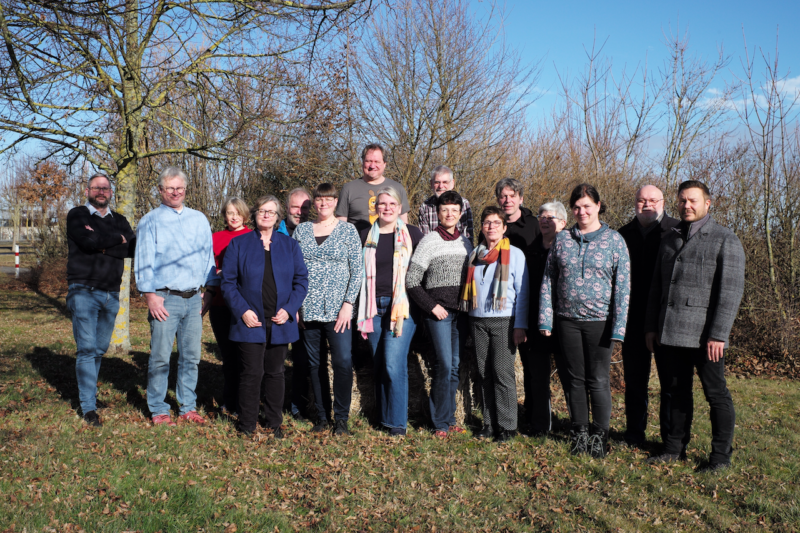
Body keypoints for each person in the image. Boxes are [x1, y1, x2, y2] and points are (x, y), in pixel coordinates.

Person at [645, 180, 745, 473]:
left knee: (716, 394)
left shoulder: (725, 239)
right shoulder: (670, 238)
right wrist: (651, 326)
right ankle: (673, 447)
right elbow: (656, 288)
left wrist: (719, 334)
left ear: (707, 203)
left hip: (705, 337)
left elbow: (730, 293)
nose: (686, 205)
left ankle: (720, 457)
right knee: (674, 392)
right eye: (681, 201)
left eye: (692, 200)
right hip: (668, 332)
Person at [539, 184, 631, 458]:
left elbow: (623, 287)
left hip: (600, 322)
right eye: (577, 207)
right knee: (574, 380)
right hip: (567, 321)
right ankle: (580, 432)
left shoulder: (614, 240)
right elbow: (548, 280)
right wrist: (546, 319)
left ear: (598, 206)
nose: (581, 212)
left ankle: (599, 436)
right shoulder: (563, 240)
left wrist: (619, 327)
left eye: (587, 206)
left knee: (598, 380)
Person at [135, 167, 218, 426]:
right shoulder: (150, 220)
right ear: (160, 190)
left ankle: (187, 407)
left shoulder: (199, 219)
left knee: (191, 356)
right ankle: (158, 408)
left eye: (179, 187)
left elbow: (208, 258)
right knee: (160, 356)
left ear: (185, 189)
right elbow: (144, 260)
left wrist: (210, 291)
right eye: (169, 188)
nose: (175, 192)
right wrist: (149, 294)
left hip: (194, 298)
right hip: (164, 298)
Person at [220, 196, 308, 437]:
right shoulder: (239, 244)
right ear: (255, 214)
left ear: (278, 216)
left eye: (271, 212)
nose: (266, 215)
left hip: (280, 320)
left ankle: (273, 423)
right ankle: (247, 424)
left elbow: (301, 282)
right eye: (261, 211)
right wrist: (243, 311)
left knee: (276, 373)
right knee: (251, 373)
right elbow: (227, 283)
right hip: (250, 320)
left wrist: (289, 309)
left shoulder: (290, 246)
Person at [65, 173, 135, 427]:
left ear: (111, 191)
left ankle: (89, 397)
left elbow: (134, 249)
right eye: (97, 188)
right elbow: (87, 242)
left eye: (106, 188)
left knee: (98, 349)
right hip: (83, 290)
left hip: (111, 294)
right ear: (88, 191)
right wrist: (118, 239)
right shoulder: (78, 215)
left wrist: (103, 245)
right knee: (86, 349)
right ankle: (88, 408)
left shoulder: (120, 219)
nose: (102, 192)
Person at [293, 183, 363, 436]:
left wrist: (348, 304)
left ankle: (341, 419)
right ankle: (322, 417)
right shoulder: (302, 230)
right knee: (315, 364)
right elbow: (293, 270)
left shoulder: (347, 231)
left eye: (328, 199)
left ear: (335, 202)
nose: (323, 204)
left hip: (338, 312)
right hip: (307, 307)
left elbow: (357, 270)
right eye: (319, 199)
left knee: (343, 362)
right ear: (314, 202)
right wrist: (295, 306)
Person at [406, 191, 473, 438]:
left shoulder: (467, 243)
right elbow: (412, 281)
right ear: (438, 212)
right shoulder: (428, 241)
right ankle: (439, 423)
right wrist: (431, 306)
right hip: (438, 315)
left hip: (461, 314)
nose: (450, 214)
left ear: (460, 213)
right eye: (445, 209)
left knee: (454, 366)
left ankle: (449, 417)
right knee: (444, 364)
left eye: (454, 210)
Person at [617, 185, 680, 448]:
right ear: (635, 203)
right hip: (632, 319)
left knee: (670, 383)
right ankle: (634, 434)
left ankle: (670, 438)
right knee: (634, 381)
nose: (647, 205)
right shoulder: (622, 235)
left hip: (667, 317)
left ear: (663, 202)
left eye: (653, 200)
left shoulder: (677, 232)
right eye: (642, 200)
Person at [357, 187, 423, 437]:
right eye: (381, 204)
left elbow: (422, 269)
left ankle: (397, 424)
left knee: (394, 363)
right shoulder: (365, 234)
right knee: (380, 364)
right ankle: (383, 417)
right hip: (372, 307)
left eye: (391, 203)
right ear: (375, 207)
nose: (386, 208)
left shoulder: (412, 234)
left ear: (399, 207)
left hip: (402, 307)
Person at [461, 206, 529, 443]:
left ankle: (508, 426)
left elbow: (522, 292)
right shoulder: (475, 255)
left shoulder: (515, 255)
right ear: (481, 227)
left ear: (504, 227)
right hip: (477, 320)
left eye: (496, 223)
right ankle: (489, 423)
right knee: (483, 373)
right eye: (487, 222)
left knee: (502, 373)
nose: (491, 227)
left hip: (504, 321)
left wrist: (520, 326)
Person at [521, 201, 568, 437]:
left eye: (550, 217)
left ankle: (577, 425)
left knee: (570, 377)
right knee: (537, 377)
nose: (544, 220)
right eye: (541, 216)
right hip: (535, 323)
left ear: (563, 223)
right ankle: (540, 425)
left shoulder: (570, 249)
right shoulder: (530, 250)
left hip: (564, 324)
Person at [203, 198, 251, 417]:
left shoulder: (253, 236)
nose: (233, 217)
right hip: (221, 303)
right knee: (228, 356)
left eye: (238, 213)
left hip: (245, 305)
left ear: (245, 215)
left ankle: (247, 402)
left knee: (245, 355)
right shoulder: (215, 238)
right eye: (230, 213)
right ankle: (230, 402)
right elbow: (208, 270)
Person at [277, 187, 312, 420]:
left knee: (301, 360)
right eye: (295, 207)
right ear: (286, 208)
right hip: (276, 307)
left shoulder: (315, 233)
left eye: (305, 208)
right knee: (274, 362)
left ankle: (298, 406)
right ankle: (272, 403)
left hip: (304, 306)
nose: (299, 212)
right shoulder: (274, 232)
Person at [336, 143, 411, 233]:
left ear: (384, 164)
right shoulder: (348, 189)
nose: (372, 166)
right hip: (358, 244)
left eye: (377, 162)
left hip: (391, 244)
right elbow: (341, 224)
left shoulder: (397, 188)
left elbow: (404, 223)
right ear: (362, 162)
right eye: (368, 161)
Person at [417, 165, 474, 241]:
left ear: (452, 183)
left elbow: (467, 237)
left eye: (445, 182)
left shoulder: (464, 204)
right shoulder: (425, 207)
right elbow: (425, 239)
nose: (441, 186)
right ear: (431, 183)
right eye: (437, 182)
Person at [493, 177, 540, 251]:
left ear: (521, 199)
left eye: (512, 196)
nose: (508, 200)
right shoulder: (491, 227)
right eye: (503, 197)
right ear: (498, 200)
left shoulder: (534, 225)